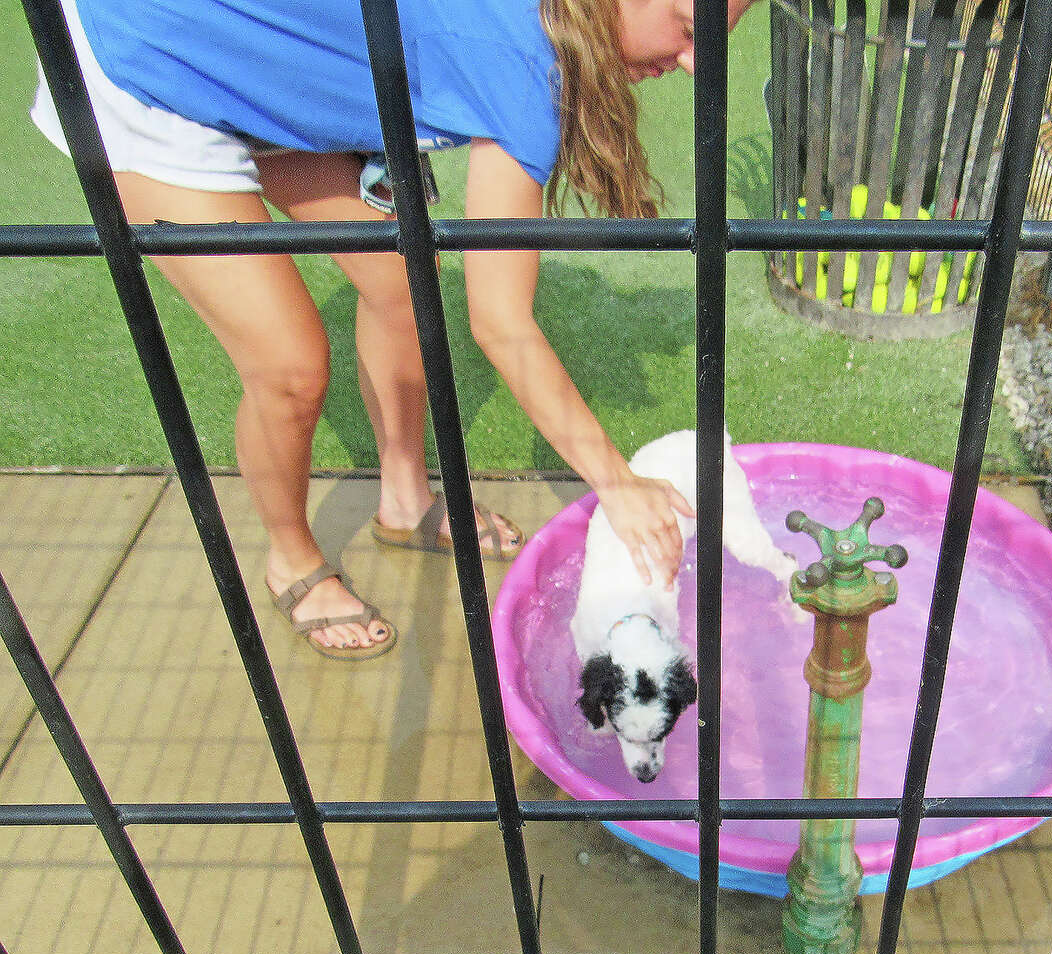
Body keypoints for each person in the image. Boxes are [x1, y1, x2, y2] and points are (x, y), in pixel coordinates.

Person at [32, 0, 757, 660]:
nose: (694, 64)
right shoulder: (519, 59)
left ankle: (404, 499)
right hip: (146, 61)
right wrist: (617, 483)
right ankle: (290, 557)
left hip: (279, 62)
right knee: (290, 366)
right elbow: (500, 322)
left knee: (405, 286)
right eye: (690, 31)